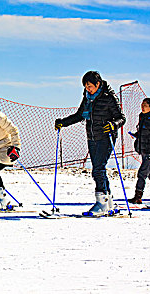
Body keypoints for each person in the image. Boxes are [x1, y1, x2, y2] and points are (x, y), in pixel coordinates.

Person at [55, 71, 126, 216]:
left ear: (98, 84)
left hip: (106, 137)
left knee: (98, 169)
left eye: (90, 86)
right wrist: (63, 122)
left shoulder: (109, 97)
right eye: (86, 86)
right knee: (99, 169)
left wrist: (113, 125)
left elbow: (121, 118)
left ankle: (101, 203)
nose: (88, 89)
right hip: (92, 137)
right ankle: (109, 202)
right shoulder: (87, 98)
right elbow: (80, 115)